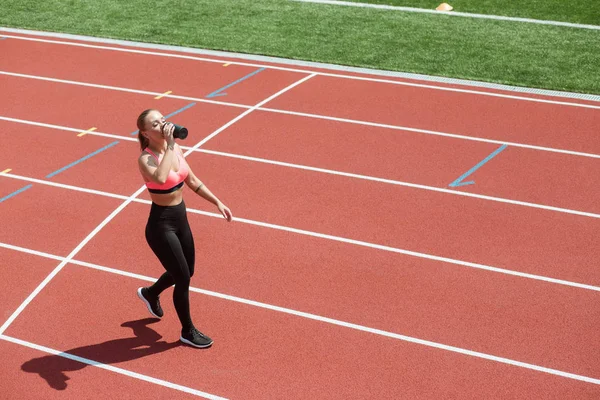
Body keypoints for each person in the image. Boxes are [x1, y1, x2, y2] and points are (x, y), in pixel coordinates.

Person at [134, 109, 232, 349]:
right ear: (146, 133)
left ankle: (150, 293)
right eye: (156, 124)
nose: (163, 125)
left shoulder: (176, 149)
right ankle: (187, 331)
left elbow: (193, 181)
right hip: (161, 225)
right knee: (183, 278)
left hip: (181, 218)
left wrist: (217, 202)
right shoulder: (146, 159)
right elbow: (160, 177)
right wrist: (168, 145)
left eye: (163, 120)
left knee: (188, 271)